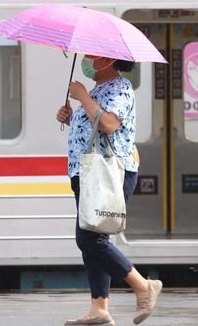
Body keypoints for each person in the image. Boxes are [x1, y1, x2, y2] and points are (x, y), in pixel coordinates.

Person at [56, 54, 162, 326]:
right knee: (94, 237)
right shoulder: (99, 90)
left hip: (109, 174)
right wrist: (71, 118)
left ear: (107, 61)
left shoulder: (120, 88)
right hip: (90, 173)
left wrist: (82, 97)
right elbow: (96, 129)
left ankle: (143, 286)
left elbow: (109, 123)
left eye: (92, 56)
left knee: (90, 239)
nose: (88, 60)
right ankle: (99, 307)